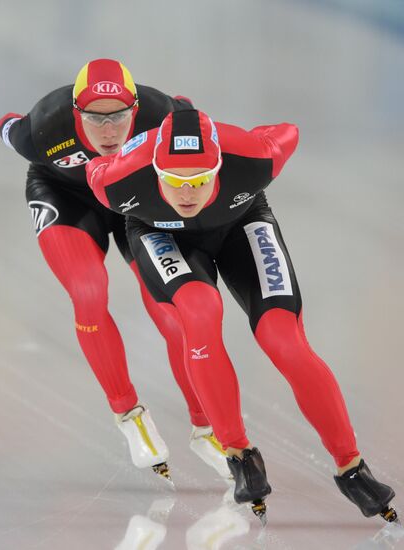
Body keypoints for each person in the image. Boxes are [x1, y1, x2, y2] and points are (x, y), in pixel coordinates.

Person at [86, 108, 398, 521]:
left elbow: (289, 130)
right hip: (159, 233)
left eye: (199, 179)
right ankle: (239, 454)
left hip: (241, 224)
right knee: (199, 311)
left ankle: (352, 467)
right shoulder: (115, 180)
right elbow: (91, 164)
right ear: (153, 170)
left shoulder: (255, 157)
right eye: (173, 181)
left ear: (220, 165)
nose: (186, 194)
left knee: (283, 339)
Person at [0, 59, 229, 482]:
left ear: (136, 109)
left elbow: (192, 117)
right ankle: (127, 414)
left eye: (119, 117)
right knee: (88, 291)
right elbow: (7, 123)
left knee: (173, 313)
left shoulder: (164, 116)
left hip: (131, 202)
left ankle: (206, 425)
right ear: (75, 115)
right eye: (94, 118)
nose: (108, 130)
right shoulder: (42, 130)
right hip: (67, 198)